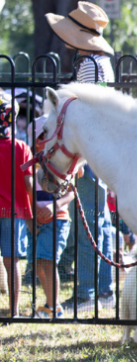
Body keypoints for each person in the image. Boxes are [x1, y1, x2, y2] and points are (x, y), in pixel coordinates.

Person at [46, 3, 119, 311]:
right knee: (99, 220)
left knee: (88, 219)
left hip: (87, 149)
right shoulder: (101, 62)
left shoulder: (89, 64)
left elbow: (81, 111)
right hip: (102, 147)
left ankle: (88, 291)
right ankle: (104, 288)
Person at [27, 114, 74, 318]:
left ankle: (54, 306)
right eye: (42, 137)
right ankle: (49, 303)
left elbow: (72, 192)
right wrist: (32, 217)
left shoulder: (62, 162)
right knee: (36, 263)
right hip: (35, 219)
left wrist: (55, 207)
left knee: (48, 261)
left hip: (58, 218)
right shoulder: (29, 161)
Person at [0, 96, 33, 318]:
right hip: (15, 212)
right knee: (13, 263)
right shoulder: (22, 148)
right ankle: (13, 311)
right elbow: (29, 183)